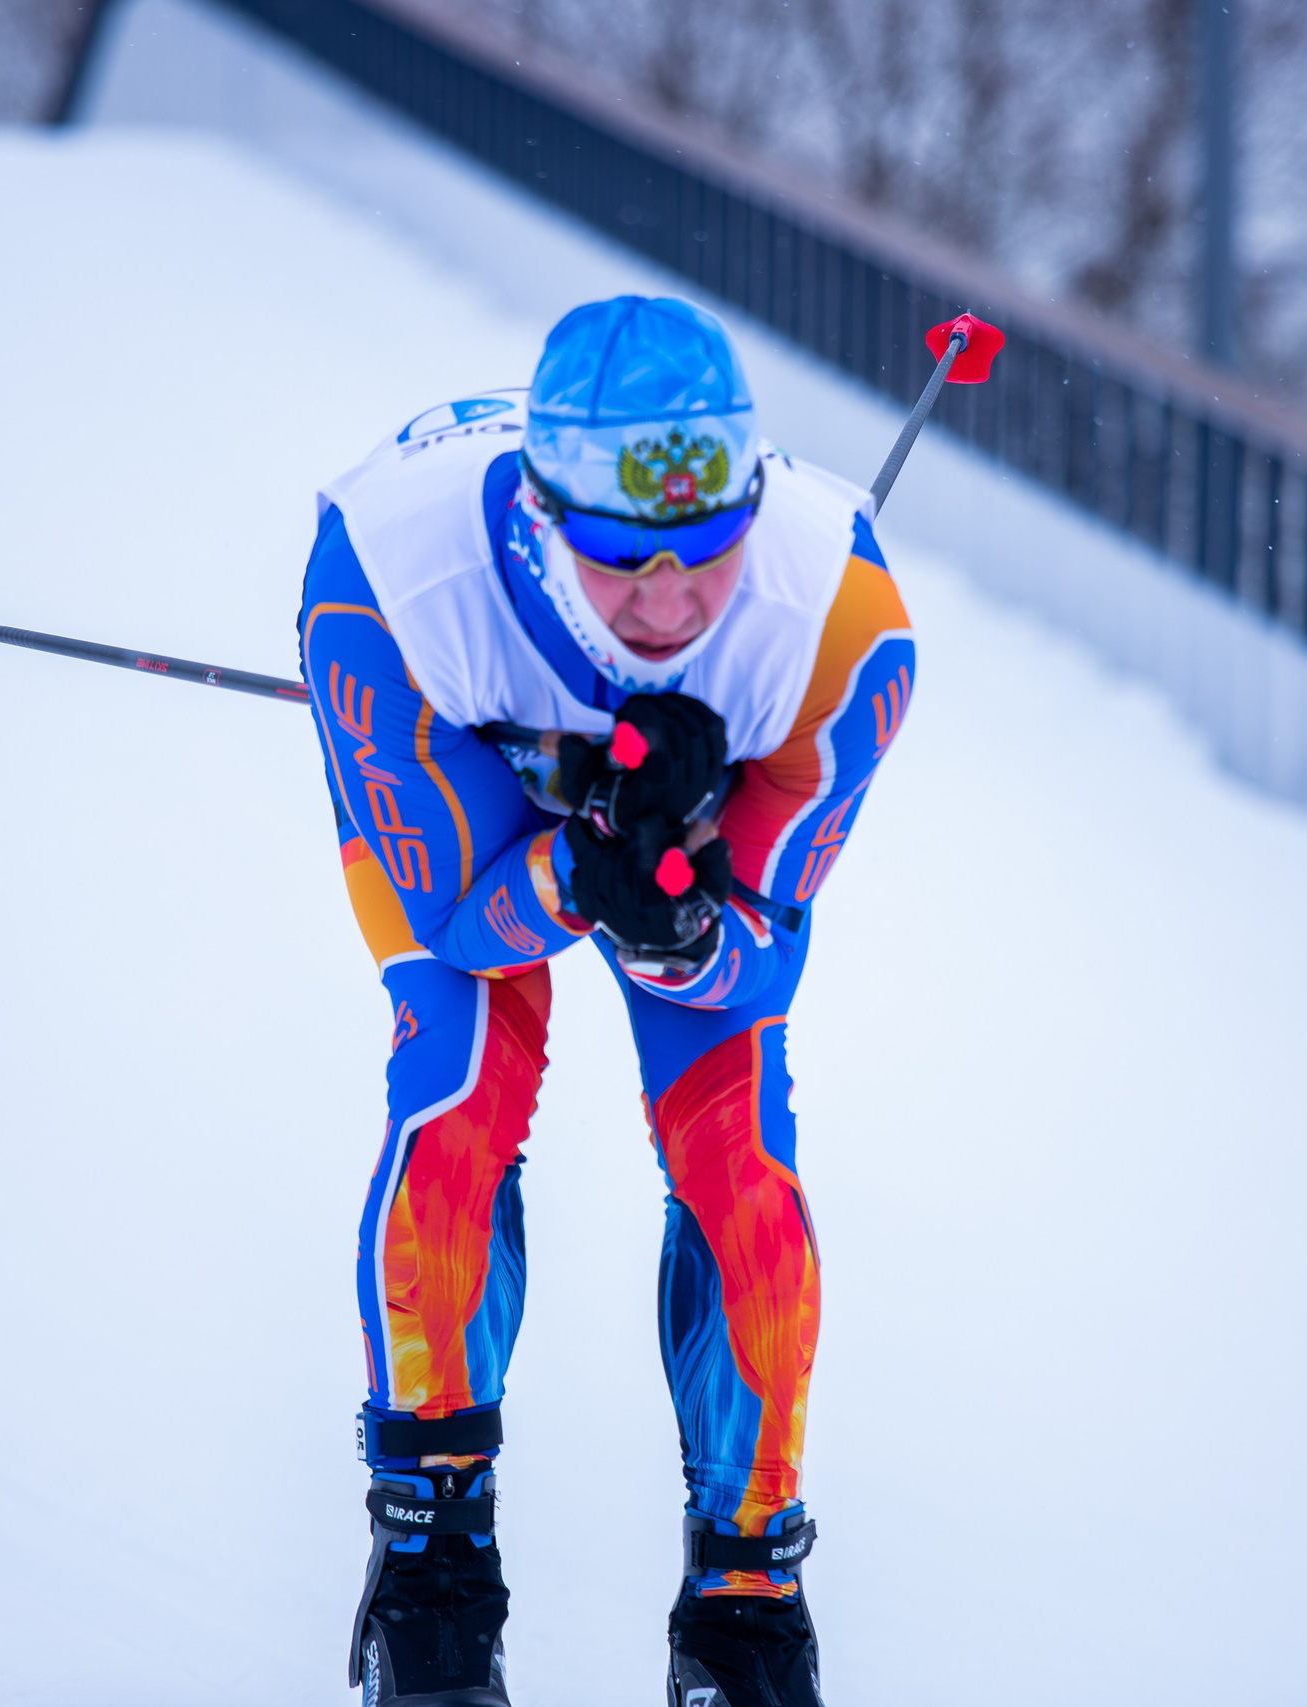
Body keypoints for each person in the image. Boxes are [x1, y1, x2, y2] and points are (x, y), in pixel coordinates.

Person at [300, 295, 914, 1707]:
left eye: (708, 551)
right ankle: (433, 1570)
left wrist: (677, 905)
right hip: (458, 731)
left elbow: (763, 958)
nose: (671, 604)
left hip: (662, 804)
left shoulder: (834, 628)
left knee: (742, 1165)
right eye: (622, 560)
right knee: (458, 1096)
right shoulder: (392, 577)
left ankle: (748, 1595)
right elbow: (461, 917)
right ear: (538, 510)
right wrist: (581, 862)